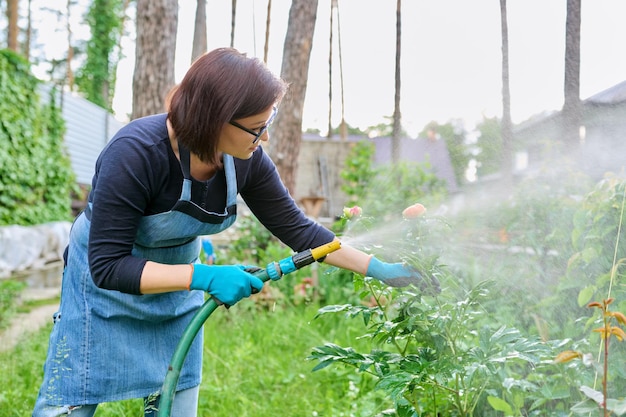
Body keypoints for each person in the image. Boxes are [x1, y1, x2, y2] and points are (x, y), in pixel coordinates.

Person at [32, 47, 436, 417]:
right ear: (215, 118)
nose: (265, 138)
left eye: (268, 123)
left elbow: (301, 231)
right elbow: (109, 266)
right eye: (257, 128)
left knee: (171, 400)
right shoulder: (136, 152)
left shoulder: (247, 160)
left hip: (172, 290)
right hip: (103, 292)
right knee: (72, 401)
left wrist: (380, 269)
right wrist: (206, 276)